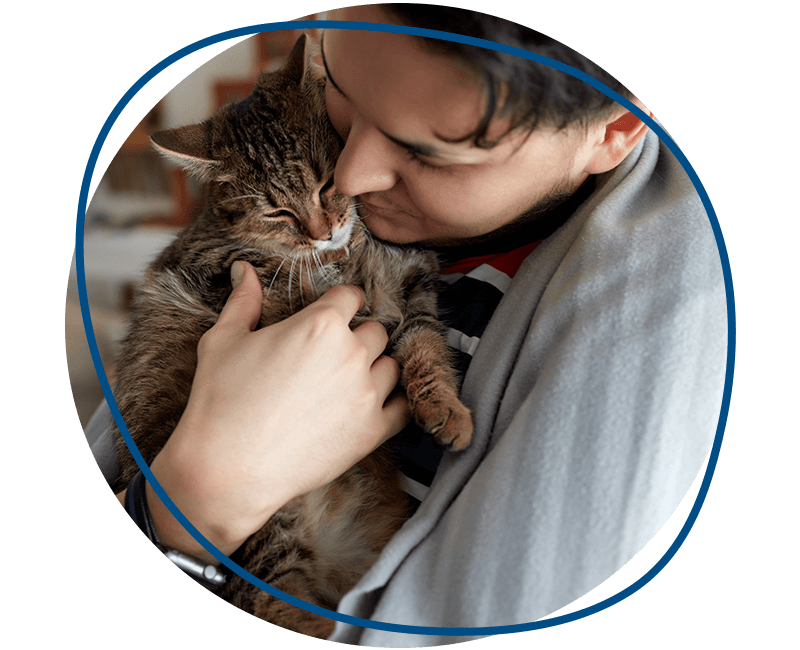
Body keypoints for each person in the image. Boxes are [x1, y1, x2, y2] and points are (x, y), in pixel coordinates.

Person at [87, 3, 727, 645]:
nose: (352, 176)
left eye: (428, 153)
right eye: (340, 91)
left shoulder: (666, 311)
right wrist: (187, 501)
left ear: (611, 127)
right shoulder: (279, 222)